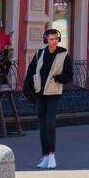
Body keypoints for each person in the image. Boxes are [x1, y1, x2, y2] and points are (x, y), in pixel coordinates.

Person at [23, 27, 74, 169]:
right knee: (42, 126)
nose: (54, 41)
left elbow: (69, 74)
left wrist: (59, 78)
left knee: (50, 124)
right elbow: (31, 70)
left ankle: (52, 156)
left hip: (54, 94)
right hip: (40, 94)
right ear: (46, 39)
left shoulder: (63, 54)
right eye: (51, 39)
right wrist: (30, 85)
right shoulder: (39, 53)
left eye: (56, 39)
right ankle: (45, 157)